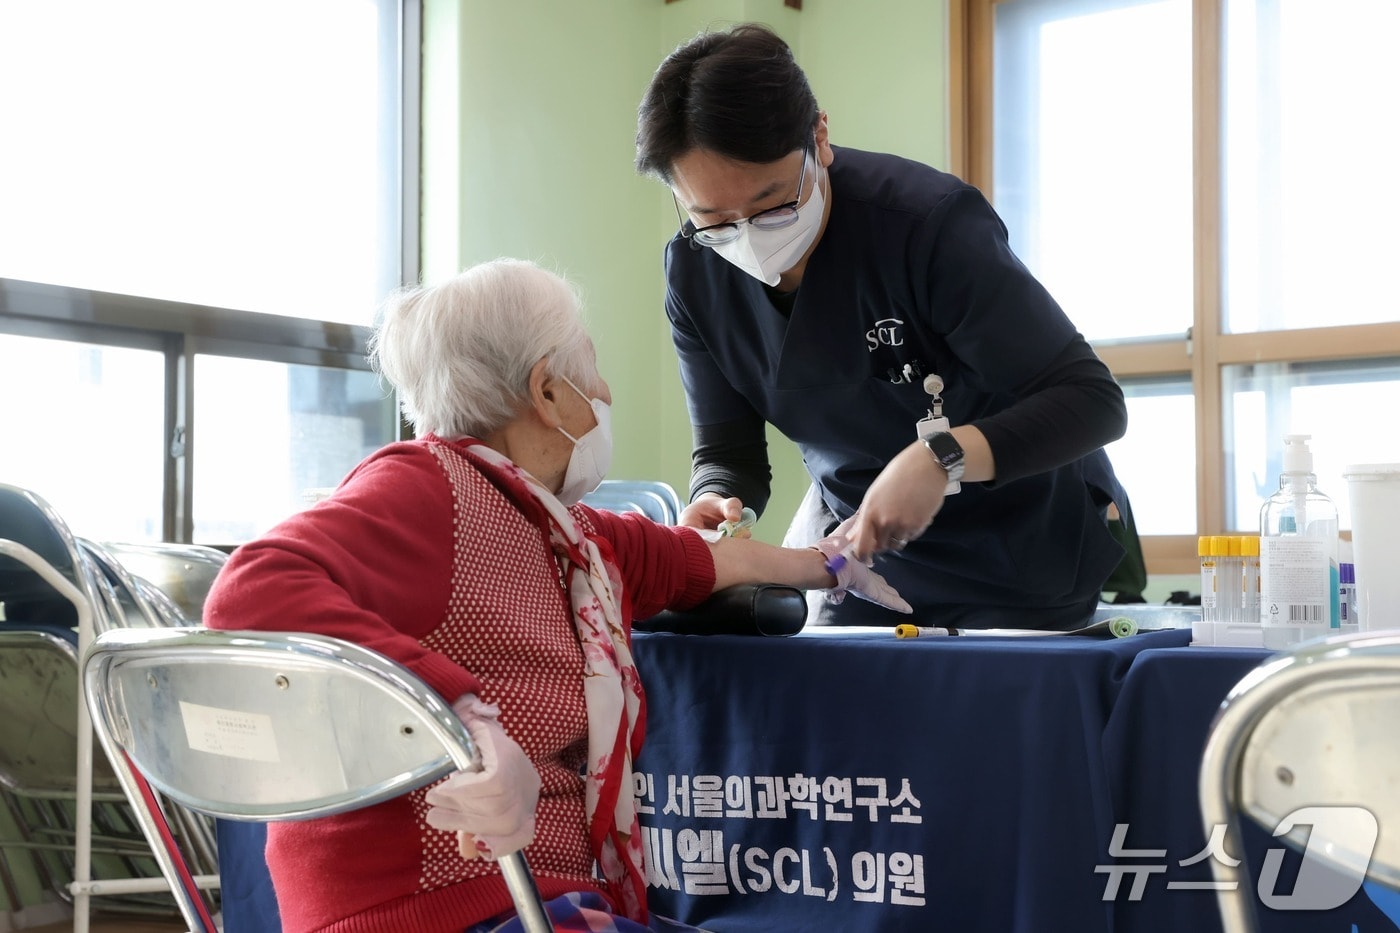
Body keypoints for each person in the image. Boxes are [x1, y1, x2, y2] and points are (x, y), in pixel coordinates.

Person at [202, 258, 905, 933]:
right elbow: (250, 590)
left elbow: (705, 559)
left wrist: (834, 561)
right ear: (546, 392)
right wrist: (461, 714)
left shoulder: (565, 536)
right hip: (432, 905)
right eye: (592, 369)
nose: (606, 393)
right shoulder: (424, 486)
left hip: (532, 902)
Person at [634, 23, 1131, 631]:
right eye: (712, 219)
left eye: (774, 205)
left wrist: (939, 458)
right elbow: (727, 452)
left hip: (1019, 549)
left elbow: (1093, 402)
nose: (748, 239)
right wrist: (713, 499)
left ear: (819, 135)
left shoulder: (927, 227)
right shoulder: (694, 271)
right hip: (857, 556)